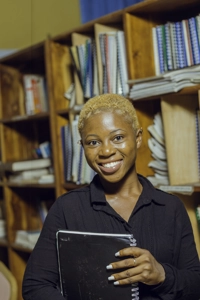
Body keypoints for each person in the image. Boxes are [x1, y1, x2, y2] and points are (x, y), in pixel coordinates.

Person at [22, 93, 200, 299]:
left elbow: (195, 284)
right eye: (93, 142)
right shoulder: (67, 209)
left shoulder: (170, 207)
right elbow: (35, 286)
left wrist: (162, 275)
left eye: (117, 138)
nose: (106, 151)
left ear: (138, 137)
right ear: (83, 147)